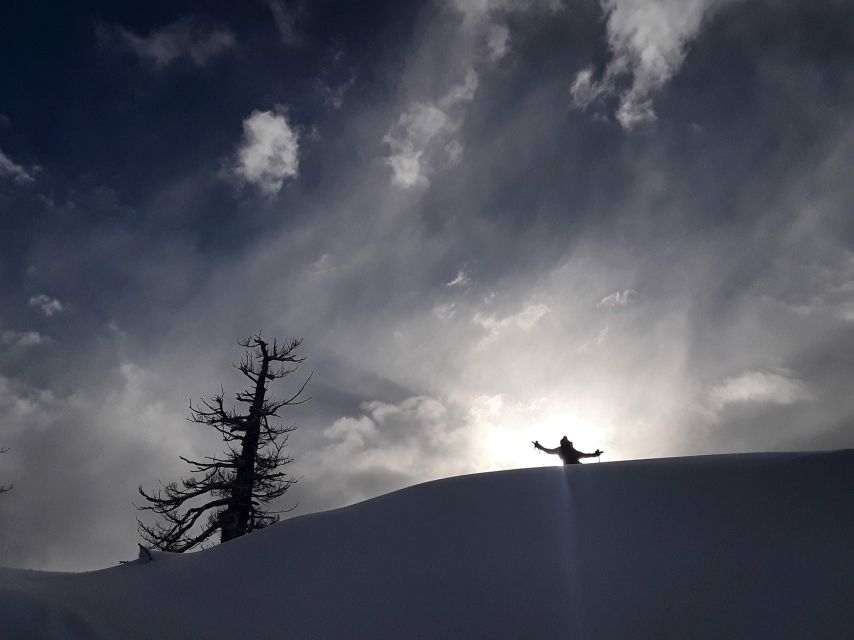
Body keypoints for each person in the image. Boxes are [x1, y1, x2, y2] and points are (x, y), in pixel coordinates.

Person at [533, 436, 602, 465]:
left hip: (572, 468)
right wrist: (595, 454)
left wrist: (595, 454)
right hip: (573, 468)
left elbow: (549, 451)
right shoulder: (564, 449)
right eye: (565, 440)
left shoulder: (564, 449)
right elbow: (585, 455)